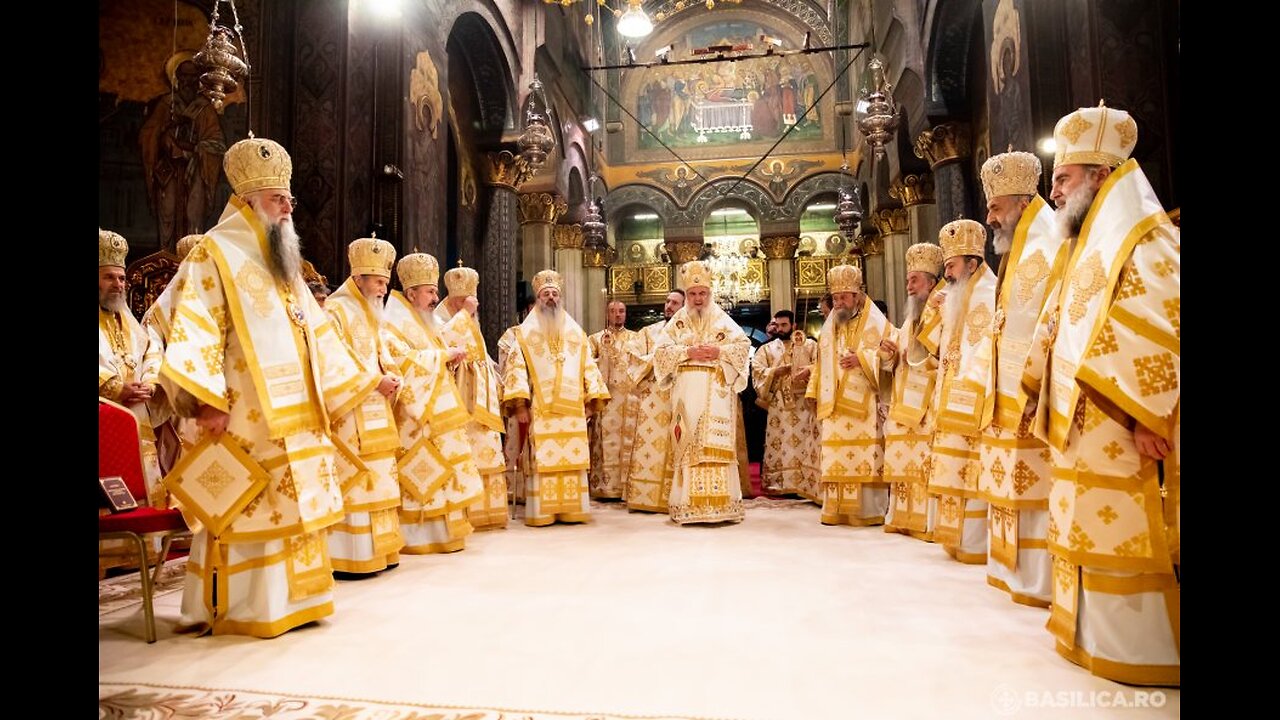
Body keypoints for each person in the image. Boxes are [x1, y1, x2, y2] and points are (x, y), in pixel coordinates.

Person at [158, 136, 377, 637]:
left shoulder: (283, 260)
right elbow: (195, 324)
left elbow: (314, 327)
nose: (288, 209)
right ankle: (248, 607)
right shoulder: (217, 252)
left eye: (289, 200)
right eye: (280, 200)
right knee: (247, 503)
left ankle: (298, 600)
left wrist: (342, 389)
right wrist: (204, 400)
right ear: (248, 201)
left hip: (298, 414)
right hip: (243, 412)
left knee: (296, 502)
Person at [1026, 104, 1179, 685]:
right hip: (1082, 419)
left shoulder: (1143, 235)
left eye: (1063, 178)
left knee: (1121, 523)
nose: (1055, 190)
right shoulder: (1087, 240)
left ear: (1097, 175)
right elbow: (1059, 321)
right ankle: (1086, 632)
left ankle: (1137, 647)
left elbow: (1159, 318)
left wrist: (1147, 413)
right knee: (1086, 521)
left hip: (1120, 417)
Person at [975, 149, 1062, 607]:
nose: (989, 217)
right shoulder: (1021, 248)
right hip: (1008, 393)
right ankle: (1019, 572)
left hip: (1033, 392)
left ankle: (1039, 577)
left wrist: (1035, 383)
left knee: (1036, 481)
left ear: (1022, 203)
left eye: (995, 206)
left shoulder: (1048, 247)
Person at [382, 252, 484, 552]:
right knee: (425, 471)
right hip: (415, 418)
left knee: (446, 472)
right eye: (430, 291)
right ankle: (419, 536)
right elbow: (400, 359)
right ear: (411, 293)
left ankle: (445, 533)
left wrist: (450, 359)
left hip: (439, 411)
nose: (435, 297)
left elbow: (437, 352)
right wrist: (443, 356)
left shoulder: (426, 321)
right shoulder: (393, 322)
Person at [322, 236, 407, 574]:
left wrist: (393, 375)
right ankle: (353, 556)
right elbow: (334, 359)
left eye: (386, 284)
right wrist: (375, 381)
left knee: (380, 477)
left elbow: (382, 353)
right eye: (378, 282)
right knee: (358, 480)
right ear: (358, 279)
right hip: (350, 410)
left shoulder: (371, 313)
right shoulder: (335, 310)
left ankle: (382, 551)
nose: (383, 290)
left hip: (377, 407)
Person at [500, 270, 609, 527]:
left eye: (555, 294)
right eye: (545, 294)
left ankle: (573, 510)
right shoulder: (524, 335)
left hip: (573, 409)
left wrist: (592, 400)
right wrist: (520, 405)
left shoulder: (575, 333)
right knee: (544, 459)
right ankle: (544, 512)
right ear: (537, 300)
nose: (551, 298)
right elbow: (515, 369)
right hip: (542, 408)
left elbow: (588, 367)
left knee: (571, 458)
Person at [653, 261, 751, 525]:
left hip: (717, 392)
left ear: (710, 294)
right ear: (687, 295)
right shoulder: (678, 322)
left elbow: (743, 346)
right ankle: (688, 506)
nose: (698, 299)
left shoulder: (722, 319)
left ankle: (722, 506)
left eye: (702, 294)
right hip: (687, 392)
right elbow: (660, 354)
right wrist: (687, 352)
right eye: (693, 294)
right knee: (688, 444)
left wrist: (719, 352)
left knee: (714, 447)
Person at [926, 219, 998, 563]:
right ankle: (957, 539)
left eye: (951, 267)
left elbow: (980, 349)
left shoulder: (986, 294)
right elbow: (942, 349)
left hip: (971, 398)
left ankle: (972, 541)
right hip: (952, 393)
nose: (947, 275)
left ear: (972, 264)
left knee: (971, 468)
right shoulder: (960, 295)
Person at [805, 264, 892, 526]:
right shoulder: (829, 329)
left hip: (864, 406)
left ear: (857, 296)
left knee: (866, 456)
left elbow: (890, 355)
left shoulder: (877, 324)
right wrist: (814, 392)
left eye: (844, 297)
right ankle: (836, 509)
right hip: (834, 406)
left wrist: (863, 359)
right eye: (835, 298)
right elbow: (821, 363)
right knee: (836, 457)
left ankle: (867, 511)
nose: (839, 302)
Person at [434, 263, 508, 530]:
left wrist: (499, 379)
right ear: (451, 300)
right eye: (461, 302)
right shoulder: (438, 318)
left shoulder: (470, 321)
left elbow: (482, 357)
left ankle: (488, 514)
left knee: (487, 451)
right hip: (460, 399)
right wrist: (464, 313)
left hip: (482, 400)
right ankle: (467, 514)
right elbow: (442, 340)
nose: (468, 308)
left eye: (469, 303)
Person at [879, 243, 945, 540]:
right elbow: (900, 359)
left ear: (931, 282)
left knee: (923, 462)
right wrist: (890, 354)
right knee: (903, 459)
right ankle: (902, 517)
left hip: (927, 403)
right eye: (907, 280)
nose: (908, 286)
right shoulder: (911, 318)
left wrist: (917, 357)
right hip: (904, 400)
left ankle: (924, 521)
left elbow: (947, 353)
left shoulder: (942, 311)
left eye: (913, 280)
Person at [99, 229, 165, 507]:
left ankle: (146, 547)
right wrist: (116, 387)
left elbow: (151, 350)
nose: (119, 284)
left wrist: (149, 382)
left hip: (138, 416)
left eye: (122, 278)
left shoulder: (127, 320)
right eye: (109, 277)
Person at [138, 52, 226, 250]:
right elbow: (147, 134)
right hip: (168, 170)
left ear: (199, 81)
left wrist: (194, 149)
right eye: (184, 77)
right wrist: (164, 134)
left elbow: (217, 143)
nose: (188, 81)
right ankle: (166, 256)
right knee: (167, 212)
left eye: (192, 77)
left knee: (193, 214)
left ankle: (191, 260)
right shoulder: (166, 105)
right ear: (177, 79)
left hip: (196, 170)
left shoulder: (205, 108)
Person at [142, 233, 207, 475]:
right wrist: (155, 379)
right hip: (184, 395)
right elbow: (152, 346)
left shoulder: (225, 301)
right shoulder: (162, 309)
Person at [623, 289, 684, 512]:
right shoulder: (649, 333)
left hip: (681, 396)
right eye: (667, 301)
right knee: (653, 447)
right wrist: (660, 359)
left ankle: (678, 497)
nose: (669, 306)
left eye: (675, 303)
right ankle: (647, 499)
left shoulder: (690, 332)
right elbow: (632, 358)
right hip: (654, 399)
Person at [750, 310, 819, 499]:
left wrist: (809, 371)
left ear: (793, 325)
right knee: (782, 443)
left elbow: (821, 367)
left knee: (805, 443)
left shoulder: (810, 345)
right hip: (779, 408)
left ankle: (807, 483)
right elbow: (757, 370)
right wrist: (775, 372)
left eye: (784, 325)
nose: (780, 329)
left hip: (804, 405)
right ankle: (779, 483)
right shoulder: (767, 349)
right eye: (777, 325)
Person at [587, 300, 640, 500]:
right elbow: (587, 366)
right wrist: (603, 358)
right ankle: (604, 487)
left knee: (626, 441)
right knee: (603, 440)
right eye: (613, 311)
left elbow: (639, 364)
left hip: (627, 399)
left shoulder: (635, 338)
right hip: (605, 399)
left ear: (626, 314)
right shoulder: (595, 339)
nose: (617, 315)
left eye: (621, 311)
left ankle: (626, 485)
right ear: (606, 314)